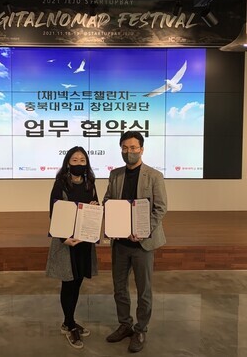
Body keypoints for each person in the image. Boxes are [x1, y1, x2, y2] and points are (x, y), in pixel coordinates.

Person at [103, 131, 167, 353]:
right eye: (124, 148)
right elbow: (108, 200)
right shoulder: (115, 175)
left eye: (132, 148)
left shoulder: (154, 176)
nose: (128, 152)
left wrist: (143, 230)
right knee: (119, 288)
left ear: (141, 149)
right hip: (120, 243)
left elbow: (160, 208)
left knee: (144, 290)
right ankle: (125, 325)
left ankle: (141, 329)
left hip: (143, 244)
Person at [46, 146, 99, 349]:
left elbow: (94, 208)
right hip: (67, 242)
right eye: (75, 160)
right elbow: (54, 213)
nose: (79, 163)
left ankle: (69, 321)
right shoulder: (60, 183)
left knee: (77, 283)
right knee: (68, 283)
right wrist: (63, 238)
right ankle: (69, 325)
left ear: (87, 163)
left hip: (83, 241)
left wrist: (95, 208)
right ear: (68, 162)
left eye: (82, 160)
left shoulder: (90, 183)